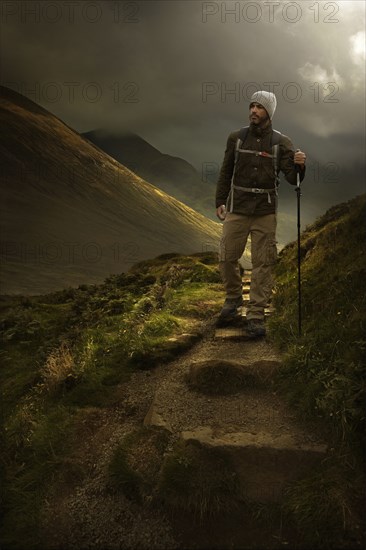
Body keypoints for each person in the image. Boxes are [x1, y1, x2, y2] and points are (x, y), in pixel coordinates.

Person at [215, 90, 306, 337]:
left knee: (263, 262)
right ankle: (233, 298)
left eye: (259, 107)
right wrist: (220, 200)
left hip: (265, 211)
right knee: (226, 256)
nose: (253, 110)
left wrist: (299, 164)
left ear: (269, 112)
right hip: (238, 207)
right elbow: (226, 172)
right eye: (252, 106)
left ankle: (256, 314)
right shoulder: (236, 138)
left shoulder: (281, 142)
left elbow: (291, 178)